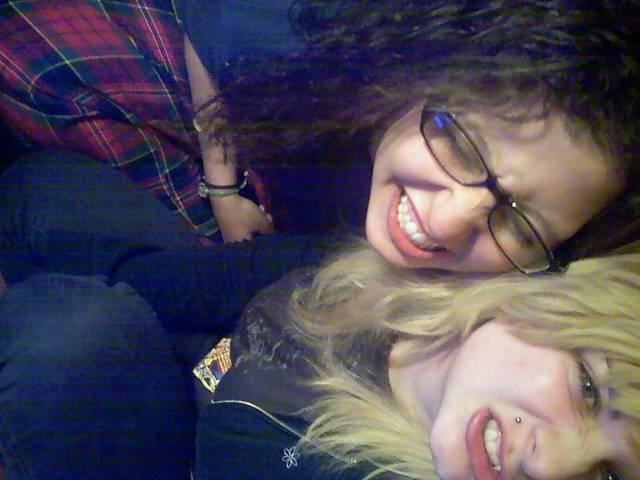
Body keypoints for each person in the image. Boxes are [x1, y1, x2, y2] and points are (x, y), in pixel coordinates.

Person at [1, 1, 639, 270]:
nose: (448, 225)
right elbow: (209, 31)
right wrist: (223, 191)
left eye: (521, 224)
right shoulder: (293, 41)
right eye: (462, 146)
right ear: (429, 78)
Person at [0, 148, 335, 479]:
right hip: (234, 361)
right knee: (43, 186)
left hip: (229, 441)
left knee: (59, 336)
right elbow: (233, 275)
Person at [195, 242, 640, 479]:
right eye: (589, 390)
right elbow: (230, 274)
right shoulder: (402, 270)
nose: (548, 467)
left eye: (609, 479)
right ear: (552, 295)